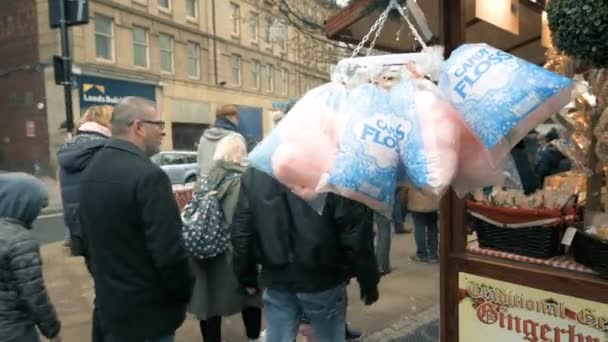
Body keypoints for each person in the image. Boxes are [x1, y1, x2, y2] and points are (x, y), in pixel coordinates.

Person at [79, 97, 193, 342]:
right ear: (138, 127)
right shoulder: (149, 177)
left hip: (111, 308)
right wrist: (184, 293)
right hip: (149, 316)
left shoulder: (92, 169)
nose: (163, 132)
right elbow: (169, 252)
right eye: (159, 124)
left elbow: (84, 239)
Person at [231, 167, 380, 342]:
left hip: (278, 275)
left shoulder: (256, 172)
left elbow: (242, 231)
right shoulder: (330, 166)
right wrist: (368, 279)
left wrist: (246, 277)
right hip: (322, 276)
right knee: (328, 335)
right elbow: (355, 232)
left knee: (279, 335)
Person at [188, 134, 264, 342]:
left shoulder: (205, 178)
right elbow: (237, 224)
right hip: (230, 254)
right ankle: (253, 337)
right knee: (250, 298)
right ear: (240, 153)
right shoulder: (241, 180)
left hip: (203, 250)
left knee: (209, 303)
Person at [0, 173, 62, 342]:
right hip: (13, 329)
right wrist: (52, 330)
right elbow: (33, 293)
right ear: (22, 203)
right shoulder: (20, 240)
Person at [58, 105, 114, 258]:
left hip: (77, 229)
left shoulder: (69, 150)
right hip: (104, 229)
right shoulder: (104, 148)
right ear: (107, 123)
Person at [198, 104, 245, 176]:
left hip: (205, 184)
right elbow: (242, 165)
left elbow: (200, 164)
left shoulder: (204, 138)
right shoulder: (235, 138)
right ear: (229, 118)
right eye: (236, 118)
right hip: (227, 185)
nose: (238, 121)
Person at [407, 186, 439, 264]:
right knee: (433, 226)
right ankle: (433, 255)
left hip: (417, 197)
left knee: (419, 226)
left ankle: (422, 255)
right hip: (433, 196)